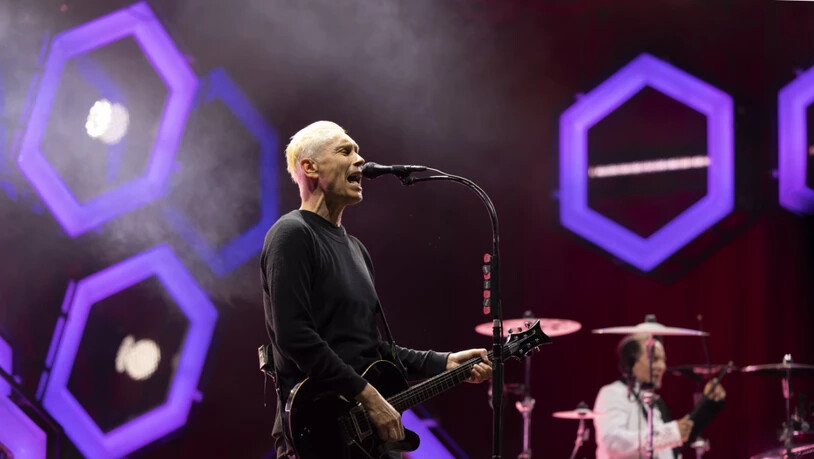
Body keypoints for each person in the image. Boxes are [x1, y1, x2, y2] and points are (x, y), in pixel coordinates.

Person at [262, 121, 493, 458]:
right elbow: (295, 335)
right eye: (346, 151)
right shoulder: (292, 234)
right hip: (317, 433)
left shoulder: (356, 249)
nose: (360, 160)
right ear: (309, 167)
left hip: (366, 438)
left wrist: (442, 363)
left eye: (358, 150)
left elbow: (369, 348)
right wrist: (367, 395)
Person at [593, 334, 726, 459]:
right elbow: (613, 442)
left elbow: (675, 441)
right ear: (632, 363)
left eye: (663, 361)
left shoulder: (655, 400)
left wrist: (709, 403)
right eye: (655, 359)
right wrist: (669, 434)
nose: (662, 367)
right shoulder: (612, 393)